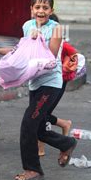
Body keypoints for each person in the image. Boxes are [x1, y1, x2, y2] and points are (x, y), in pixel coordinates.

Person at [0, 0, 77, 180]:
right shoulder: (27, 25)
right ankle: (67, 143)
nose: (41, 11)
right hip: (35, 83)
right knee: (39, 128)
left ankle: (33, 169)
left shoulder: (56, 29)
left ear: (51, 10)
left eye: (45, 8)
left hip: (51, 84)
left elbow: (49, 58)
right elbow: (22, 51)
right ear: (31, 9)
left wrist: (37, 38)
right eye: (37, 7)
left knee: (28, 124)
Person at [38, 13, 73, 157]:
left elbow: (74, 56)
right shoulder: (39, 40)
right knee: (40, 114)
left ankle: (41, 148)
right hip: (41, 81)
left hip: (57, 82)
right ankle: (64, 124)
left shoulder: (63, 44)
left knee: (42, 114)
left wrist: (67, 65)